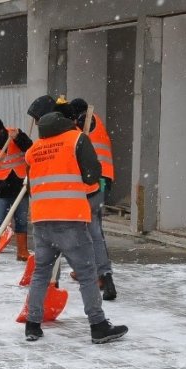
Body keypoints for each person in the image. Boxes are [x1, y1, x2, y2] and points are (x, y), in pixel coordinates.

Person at [23, 111, 128, 344]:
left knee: (41, 272)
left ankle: (33, 324)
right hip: (70, 219)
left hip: (41, 221)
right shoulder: (76, 139)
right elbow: (92, 176)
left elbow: (32, 186)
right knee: (87, 273)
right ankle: (98, 325)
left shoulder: (33, 150)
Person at [70, 98, 119, 301]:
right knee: (92, 228)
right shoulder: (92, 122)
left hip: (96, 179)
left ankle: (102, 276)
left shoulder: (86, 121)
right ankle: (93, 272)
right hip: (101, 178)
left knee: (92, 230)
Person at [0, 115, 33, 263]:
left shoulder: (15, 134)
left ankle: (22, 252)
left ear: (1, 130)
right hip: (0, 187)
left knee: (21, 220)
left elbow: (30, 148)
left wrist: (19, 137)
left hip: (19, 184)